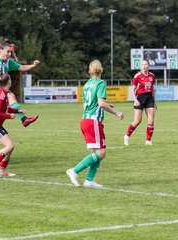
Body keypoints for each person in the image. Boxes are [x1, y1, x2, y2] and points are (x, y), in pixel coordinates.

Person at [66, 60, 124, 188]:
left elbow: (88, 104)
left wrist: (107, 105)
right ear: (101, 70)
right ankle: (74, 171)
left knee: (98, 153)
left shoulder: (86, 85)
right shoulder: (101, 83)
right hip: (93, 121)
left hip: (85, 120)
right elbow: (101, 103)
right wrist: (116, 112)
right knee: (101, 153)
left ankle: (89, 180)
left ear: (89, 71)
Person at [0, 73, 26, 177]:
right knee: (9, 146)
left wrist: (17, 111)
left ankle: (1, 171)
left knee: (10, 147)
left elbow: (4, 108)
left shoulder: (3, 93)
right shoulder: (1, 94)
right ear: (9, 82)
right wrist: (9, 116)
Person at [124, 60, 156, 146]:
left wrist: (154, 101)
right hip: (140, 98)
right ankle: (127, 136)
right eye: (142, 64)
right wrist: (135, 100)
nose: (144, 66)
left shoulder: (152, 76)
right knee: (137, 121)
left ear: (148, 66)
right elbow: (133, 89)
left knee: (151, 120)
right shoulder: (137, 76)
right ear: (141, 66)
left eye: (145, 64)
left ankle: (148, 141)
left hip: (149, 98)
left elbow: (153, 88)